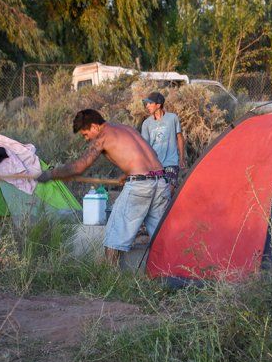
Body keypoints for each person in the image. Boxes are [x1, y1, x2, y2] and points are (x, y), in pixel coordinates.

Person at [37, 109, 170, 265]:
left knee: (114, 236)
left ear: (94, 127)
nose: (87, 139)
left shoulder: (103, 137)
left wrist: (51, 174)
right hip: (161, 181)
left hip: (140, 186)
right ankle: (169, 277)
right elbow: (145, 155)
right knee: (163, 237)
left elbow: (79, 167)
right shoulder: (125, 129)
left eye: (85, 134)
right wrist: (129, 174)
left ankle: (110, 278)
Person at [140, 92, 186, 192]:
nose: (147, 106)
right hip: (155, 164)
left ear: (158, 105)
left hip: (171, 162)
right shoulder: (146, 124)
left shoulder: (172, 118)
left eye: (150, 103)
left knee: (168, 191)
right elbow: (145, 147)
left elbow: (180, 137)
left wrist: (181, 158)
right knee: (158, 194)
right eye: (146, 104)